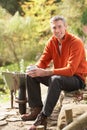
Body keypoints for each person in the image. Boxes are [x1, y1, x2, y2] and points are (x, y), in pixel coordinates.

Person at [21, 15, 87, 130]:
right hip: (60, 77)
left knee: (55, 79)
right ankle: (36, 109)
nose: (57, 30)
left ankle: (43, 116)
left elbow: (71, 70)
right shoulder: (51, 42)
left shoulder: (76, 43)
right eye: (54, 28)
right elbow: (43, 61)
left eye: (59, 27)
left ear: (65, 27)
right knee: (31, 75)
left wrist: (46, 72)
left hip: (76, 79)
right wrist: (34, 68)